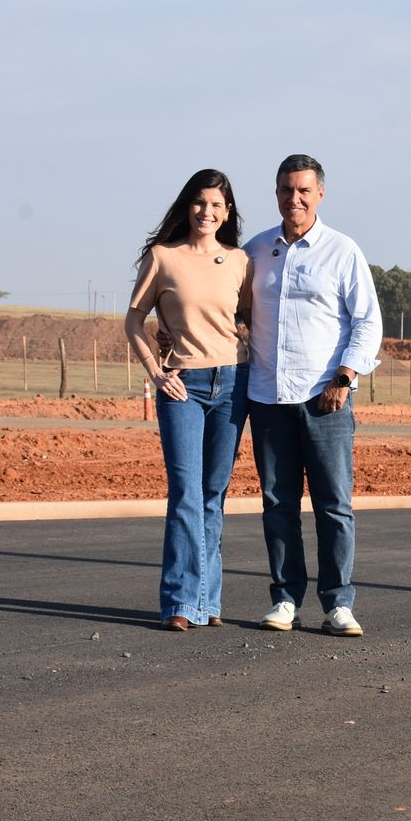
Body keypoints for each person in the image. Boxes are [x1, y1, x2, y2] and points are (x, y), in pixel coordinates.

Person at [245, 154, 382, 635]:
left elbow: (368, 322)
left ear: (320, 193)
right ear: (276, 193)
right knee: (278, 504)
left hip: (326, 399)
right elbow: (230, 309)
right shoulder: (256, 251)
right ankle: (285, 599)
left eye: (304, 190)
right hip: (267, 398)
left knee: (333, 505)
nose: (295, 198)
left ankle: (338, 603)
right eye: (286, 189)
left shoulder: (342, 251)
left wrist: (344, 378)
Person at [124, 169, 251, 631]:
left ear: (227, 212)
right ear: (187, 206)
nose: (206, 212)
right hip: (183, 386)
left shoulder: (239, 261)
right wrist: (156, 373)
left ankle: (208, 600)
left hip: (233, 384)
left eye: (216, 205)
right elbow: (133, 320)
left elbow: (248, 319)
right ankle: (181, 602)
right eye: (199, 202)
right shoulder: (163, 257)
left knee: (213, 495)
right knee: (185, 492)